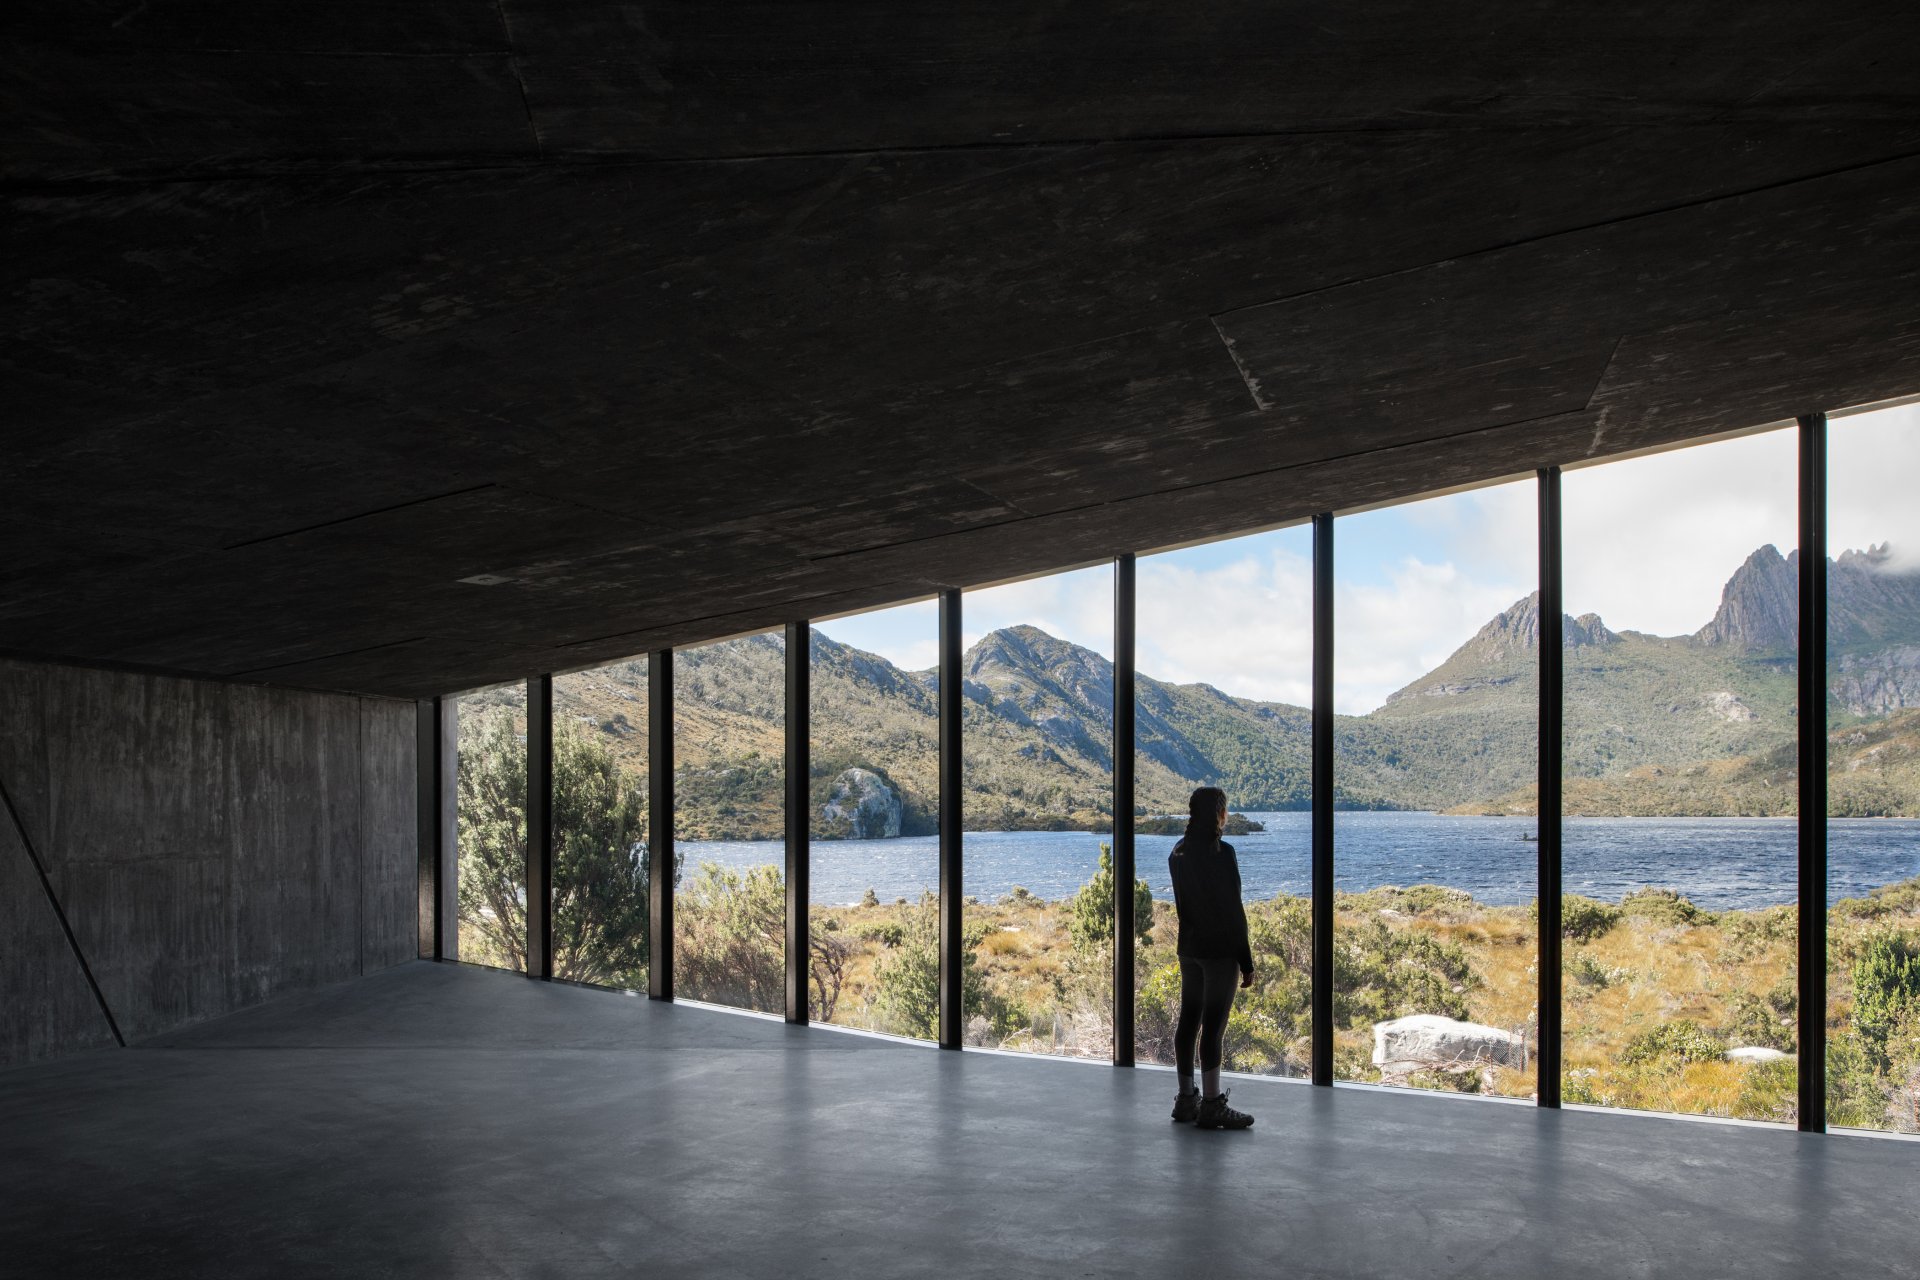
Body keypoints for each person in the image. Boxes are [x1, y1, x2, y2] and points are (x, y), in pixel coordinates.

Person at [1167, 786, 1255, 1130]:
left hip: (1189, 950)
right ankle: (1213, 1104)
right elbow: (1234, 913)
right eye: (1225, 810)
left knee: (1188, 1022)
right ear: (1219, 813)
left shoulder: (1177, 853)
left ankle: (1186, 1098)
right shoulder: (1223, 853)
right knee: (1213, 1027)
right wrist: (1246, 963)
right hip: (1219, 953)